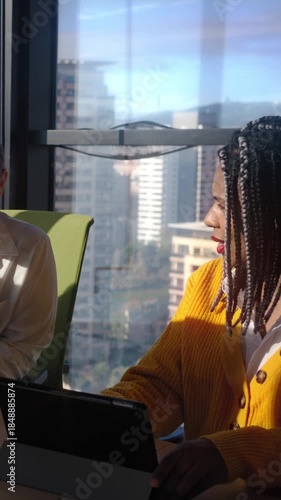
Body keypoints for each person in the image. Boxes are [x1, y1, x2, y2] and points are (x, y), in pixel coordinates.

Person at [101, 116, 281, 498]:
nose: (207, 219)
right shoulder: (207, 285)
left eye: (222, 205)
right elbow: (161, 385)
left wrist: (229, 453)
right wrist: (98, 417)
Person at [0, 146, 57, 379]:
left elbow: (22, 347)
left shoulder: (32, 246)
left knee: (11, 415)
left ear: (1, 181)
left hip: (5, 389)